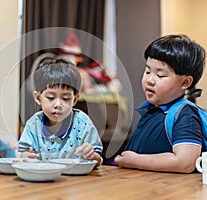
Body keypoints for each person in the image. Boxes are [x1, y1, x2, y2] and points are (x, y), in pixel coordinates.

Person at [114, 34, 206, 173]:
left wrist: (135, 160)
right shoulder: (152, 110)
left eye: (160, 75)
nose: (150, 80)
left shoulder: (185, 114)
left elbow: (186, 162)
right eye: (147, 71)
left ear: (185, 82)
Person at [18, 57, 103, 167]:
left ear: (75, 99)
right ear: (38, 98)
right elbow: (23, 153)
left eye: (66, 98)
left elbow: (98, 159)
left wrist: (91, 156)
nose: (58, 105)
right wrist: (26, 156)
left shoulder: (83, 123)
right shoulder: (34, 123)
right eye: (51, 97)